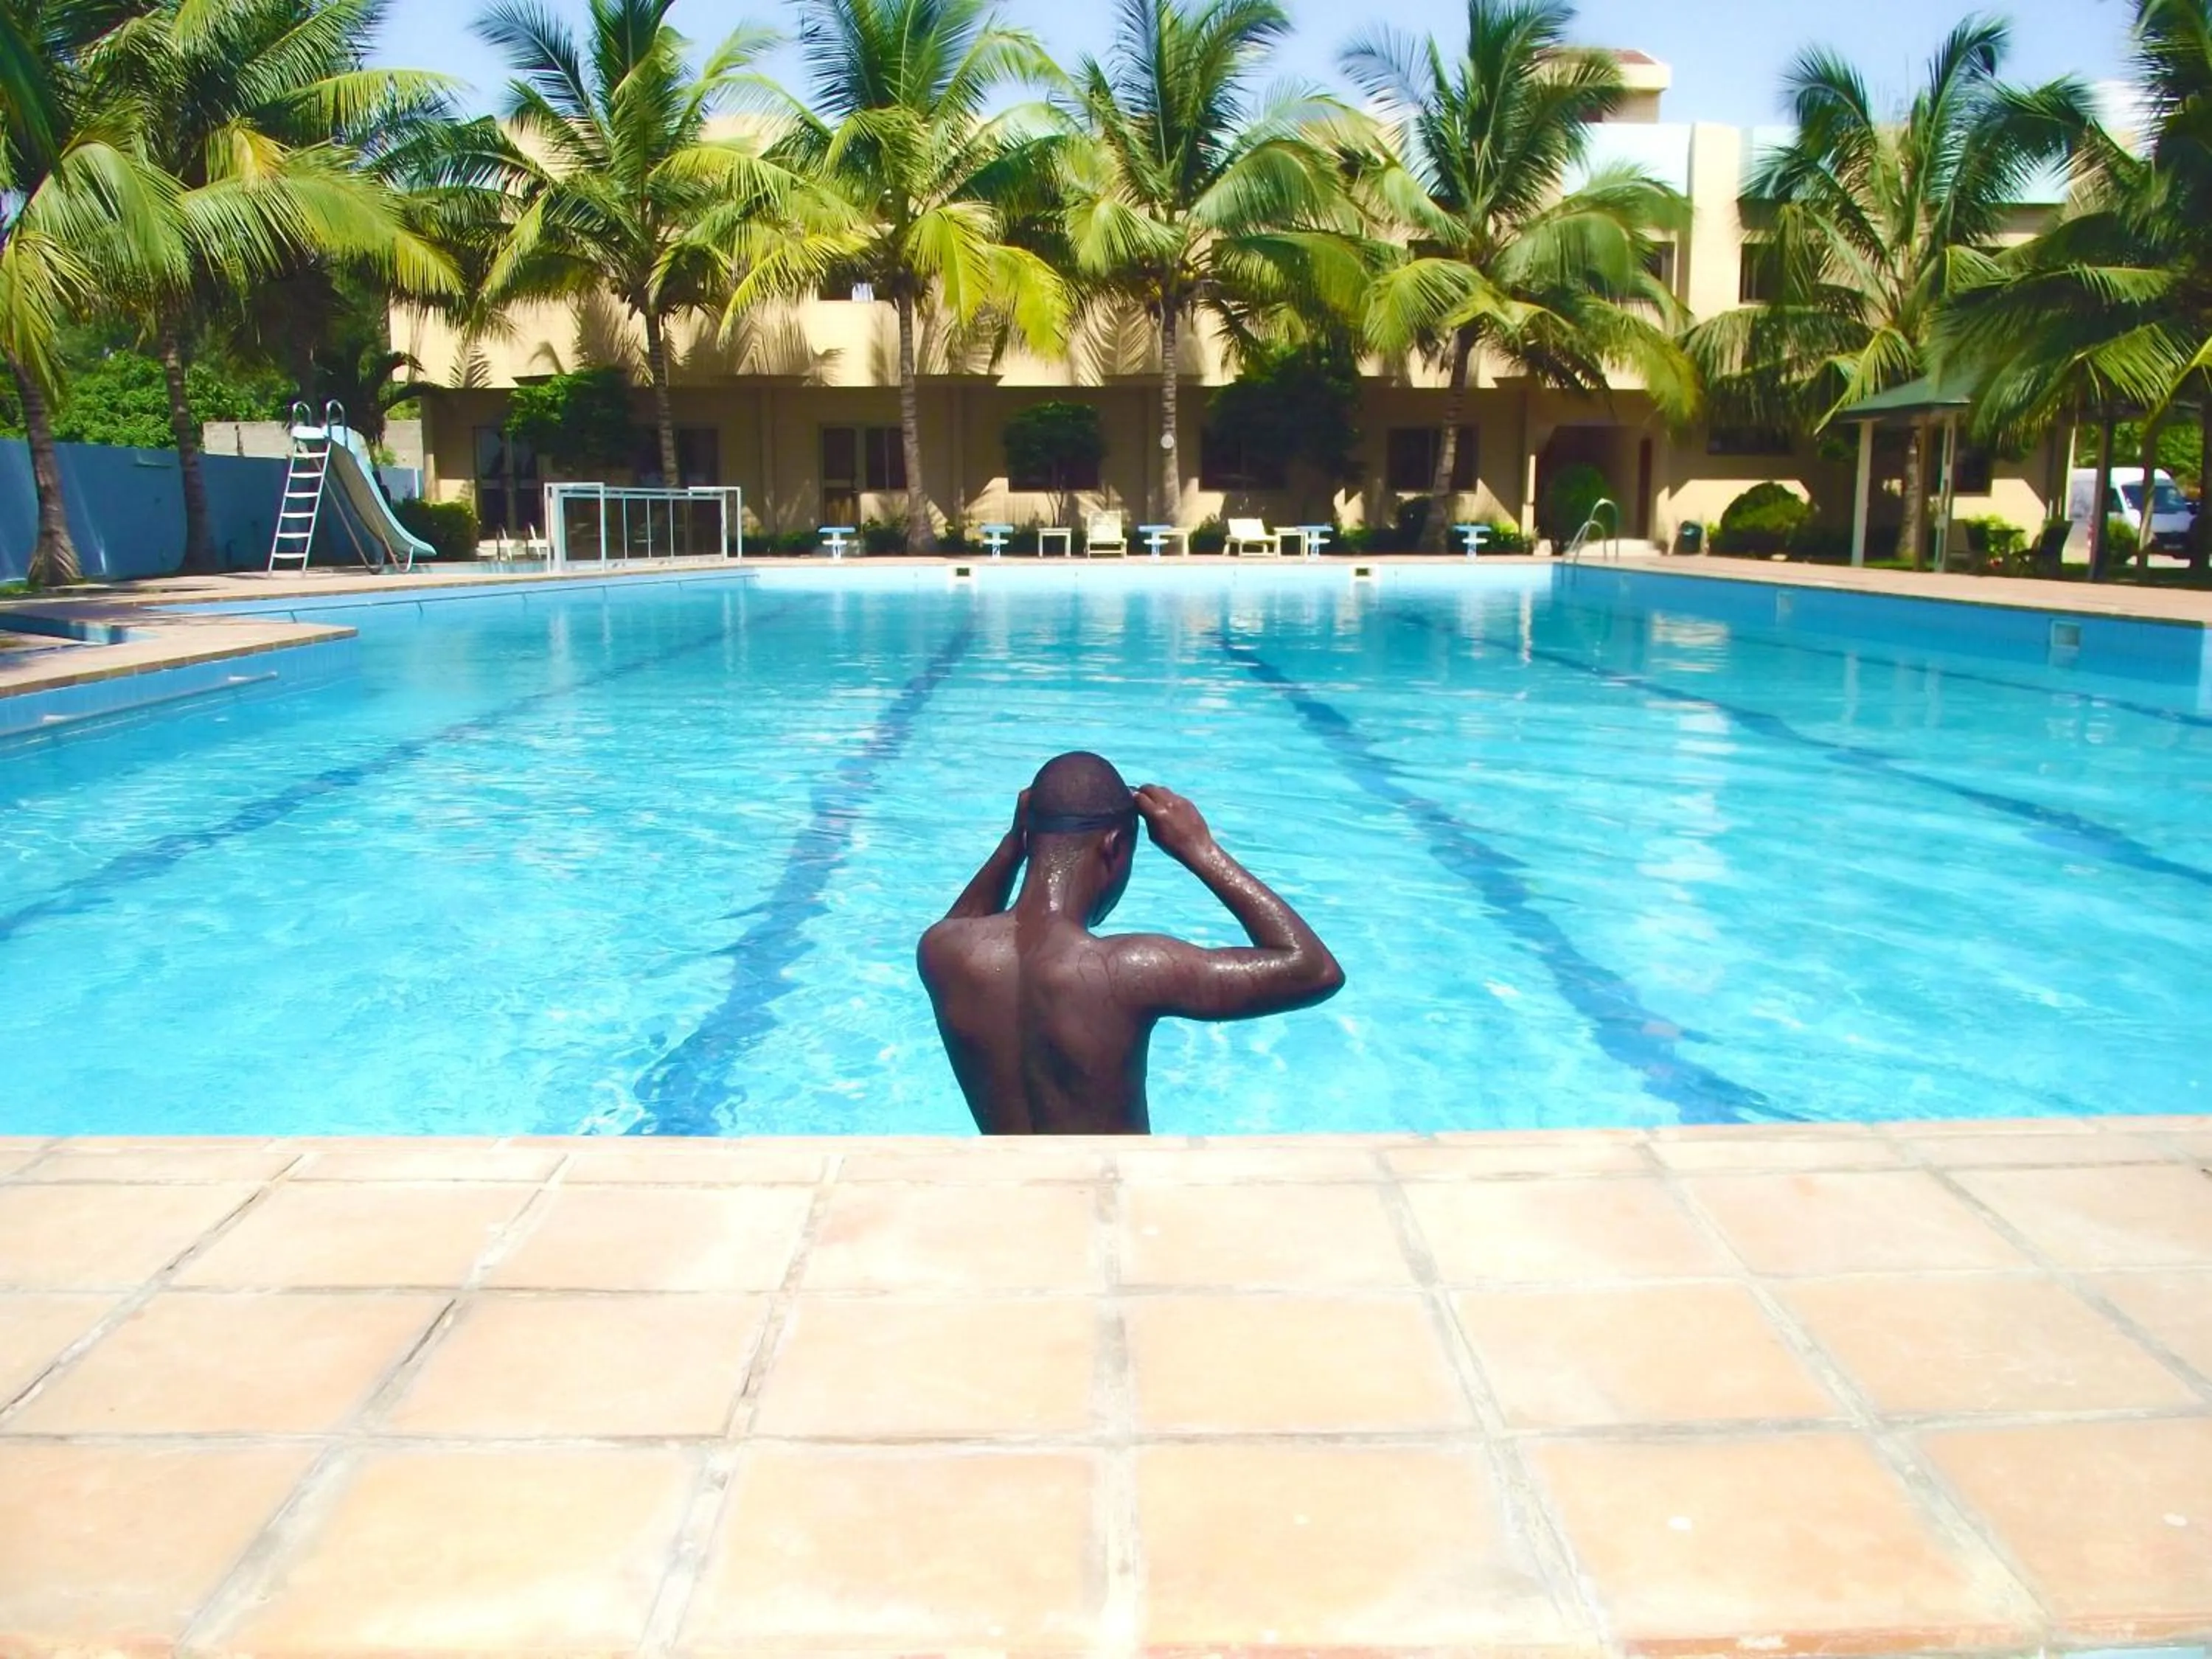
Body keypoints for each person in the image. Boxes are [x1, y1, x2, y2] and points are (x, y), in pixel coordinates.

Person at [917, 751, 1345, 1134]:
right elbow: (1313, 970)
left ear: (1027, 838)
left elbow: (964, 921)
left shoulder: (944, 952)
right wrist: (1200, 849)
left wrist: (1015, 843)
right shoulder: (1127, 970)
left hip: (1014, 1203)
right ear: (1115, 846)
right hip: (1111, 1208)